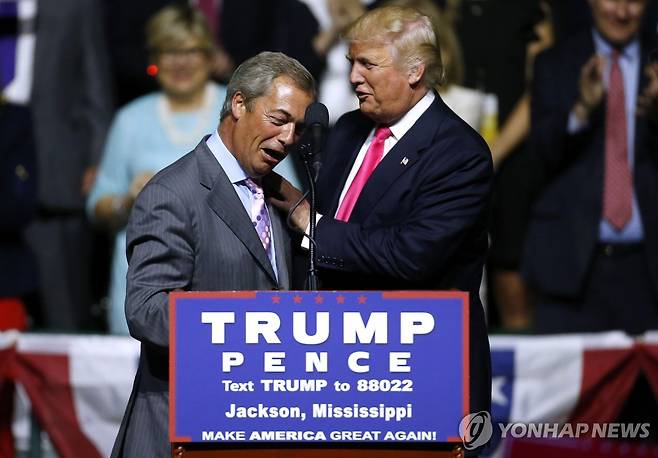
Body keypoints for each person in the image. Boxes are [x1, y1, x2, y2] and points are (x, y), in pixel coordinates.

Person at [270, 5, 492, 427]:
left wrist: (310, 224)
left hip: (422, 374)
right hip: (339, 370)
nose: (353, 76)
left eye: (368, 64)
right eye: (352, 62)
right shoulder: (347, 130)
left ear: (414, 71)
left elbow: (411, 256)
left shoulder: (460, 154)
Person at [110, 51, 315, 458]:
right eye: (279, 120)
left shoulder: (274, 194)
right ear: (239, 104)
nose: (290, 138)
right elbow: (147, 309)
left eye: (298, 128)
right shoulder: (173, 193)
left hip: (251, 428)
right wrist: (249, 324)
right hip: (183, 429)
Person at [87, 4, 227, 334]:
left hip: (220, 294)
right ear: (155, 58)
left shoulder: (236, 111)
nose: (181, 62)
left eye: (191, 51)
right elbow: (97, 206)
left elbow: (282, 197)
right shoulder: (130, 120)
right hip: (143, 292)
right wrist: (127, 199)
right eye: (169, 51)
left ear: (209, 56)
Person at [524, 0, 658, 334]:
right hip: (571, 267)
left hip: (648, 271)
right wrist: (581, 111)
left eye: (634, 1)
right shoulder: (555, 62)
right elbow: (539, 158)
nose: (623, 12)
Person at [2, 0, 113, 331]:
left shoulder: (73, 7)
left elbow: (97, 88)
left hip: (54, 175)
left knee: (62, 308)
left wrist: (97, 161)